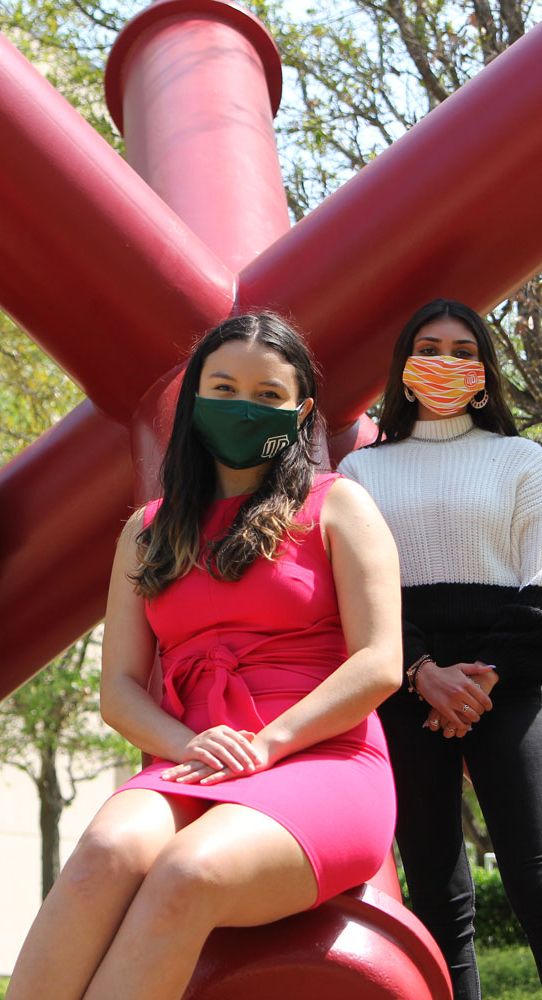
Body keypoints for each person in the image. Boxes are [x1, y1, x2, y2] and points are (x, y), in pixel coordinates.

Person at [5, 313, 401, 1000]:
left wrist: (270, 743)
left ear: (302, 413)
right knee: (104, 856)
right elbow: (120, 689)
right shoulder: (145, 531)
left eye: (268, 395)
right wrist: (190, 745)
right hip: (194, 759)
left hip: (322, 757)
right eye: (224, 387)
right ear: (193, 401)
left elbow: (379, 662)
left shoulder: (341, 507)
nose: (244, 406)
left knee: (188, 873)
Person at [337, 298, 542, 999]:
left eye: (462, 351)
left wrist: (480, 680)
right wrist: (423, 673)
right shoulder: (361, 472)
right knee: (435, 892)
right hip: (404, 687)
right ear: (402, 369)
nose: (446, 363)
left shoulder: (524, 459)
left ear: (484, 372)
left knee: (536, 872)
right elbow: (361, 595)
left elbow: (541, 583)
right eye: (430, 348)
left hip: (510, 685)